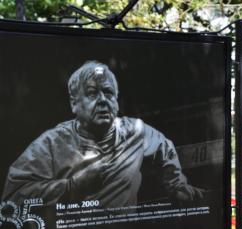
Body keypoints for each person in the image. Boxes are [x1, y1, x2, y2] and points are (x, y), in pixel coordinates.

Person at [2, 61, 203, 208]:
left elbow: (164, 147)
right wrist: (72, 186)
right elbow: (13, 195)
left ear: (116, 100)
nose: (102, 100)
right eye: (91, 93)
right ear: (74, 103)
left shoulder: (136, 131)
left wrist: (176, 184)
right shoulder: (51, 144)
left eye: (108, 93)